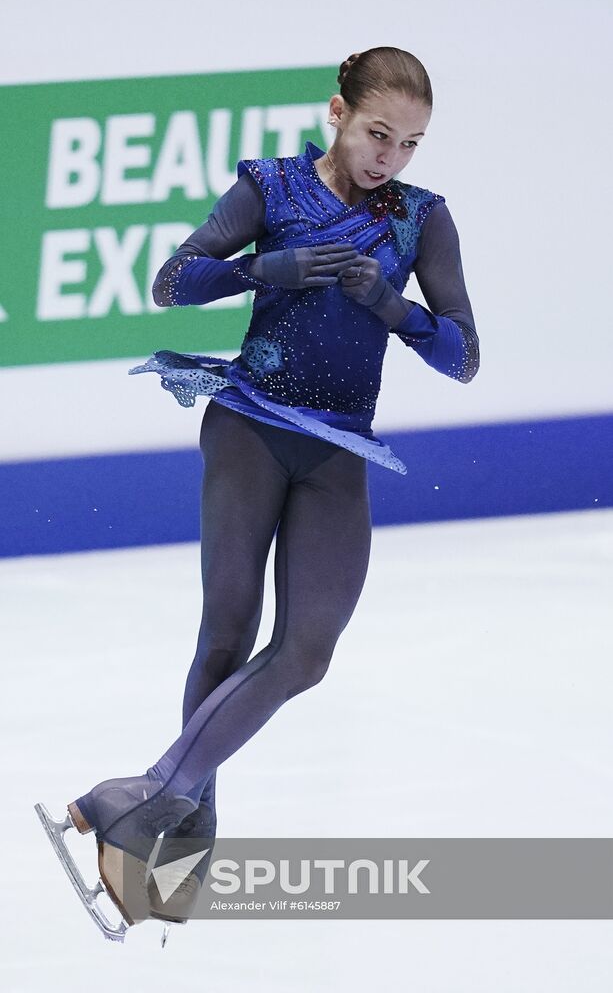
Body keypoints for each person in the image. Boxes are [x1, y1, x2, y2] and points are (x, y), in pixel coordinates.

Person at [35, 46, 479, 941]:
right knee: (226, 635)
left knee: (306, 651)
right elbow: (170, 284)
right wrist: (255, 271)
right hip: (248, 428)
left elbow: (463, 355)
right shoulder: (271, 189)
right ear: (337, 114)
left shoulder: (420, 222)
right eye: (376, 133)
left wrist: (396, 312)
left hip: (336, 451)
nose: (389, 157)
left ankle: (141, 795)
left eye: (409, 144)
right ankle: (170, 860)